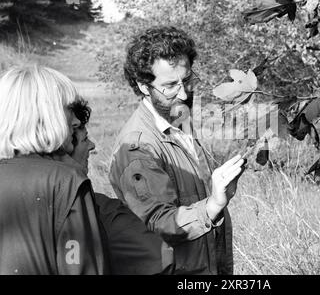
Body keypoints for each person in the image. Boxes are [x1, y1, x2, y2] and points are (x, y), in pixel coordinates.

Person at [109, 26, 245, 275]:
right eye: (170, 85)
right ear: (143, 86)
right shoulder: (138, 148)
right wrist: (213, 205)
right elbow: (158, 223)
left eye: (187, 80)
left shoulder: (179, 121)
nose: (183, 93)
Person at [0, 65, 110, 275]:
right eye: (68, 109)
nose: (76, 120)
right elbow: (83, 268)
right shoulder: (66, 181)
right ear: (45, 115)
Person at [67, 98, 173, 275]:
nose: (93, 145)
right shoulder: (101, 211)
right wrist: (210, 208)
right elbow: (159, 257)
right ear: (65, 146)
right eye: (85, 139)